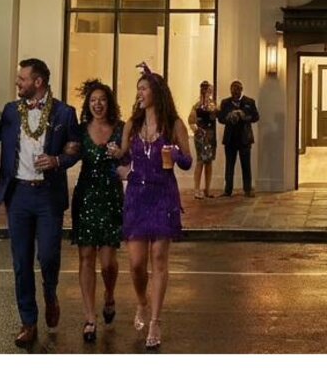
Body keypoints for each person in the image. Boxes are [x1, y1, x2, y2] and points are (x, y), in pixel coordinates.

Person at [0, 57, 82, 347]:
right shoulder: (10, 111)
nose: (18, 83)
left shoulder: (64, 113)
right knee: (21, 261)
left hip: (47, 195)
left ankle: (50, 292)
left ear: (38, 82)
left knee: (49, 256)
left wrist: (57, 160)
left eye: (23, 79)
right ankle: (28, 321)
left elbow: (76, 148)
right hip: (17, 195)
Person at [117, 63, 193, 352]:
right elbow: (122, 160)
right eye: (138, 89)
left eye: (144, 88)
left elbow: (187, 162)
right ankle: (141, 302)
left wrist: (174, 153)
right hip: (137, 196)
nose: (139, 93)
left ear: (156, 92)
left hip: (163, 195)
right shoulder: (132, 125)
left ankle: (155, 321)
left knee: (159, 258)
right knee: (137, 263)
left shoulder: (174, 125)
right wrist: (120, 165)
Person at [70, 80, 126, 344]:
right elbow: (68, 153)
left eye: (102, 99)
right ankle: (90, 317)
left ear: (109, 102)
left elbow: (131, 158)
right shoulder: (80, 130)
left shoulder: (121, 129)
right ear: (88, 104)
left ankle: (110, 295)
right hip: (87, 195)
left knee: (107, 262)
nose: (98, 104)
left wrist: (120, 155)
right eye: (93, 100)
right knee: (85, 257)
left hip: (111, 196)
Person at [217, 80, 259, 197]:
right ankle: (228, 190)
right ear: (230, 90)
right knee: (229, 165)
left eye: (238, 89)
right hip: (230, 139)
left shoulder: (249, 102)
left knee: (246, 165)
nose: (235, 91)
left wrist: (244, 116)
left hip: (244, 138)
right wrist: (228, 117)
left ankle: (248, 189)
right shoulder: (225, 103)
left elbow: (256, 117)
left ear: (241, 90)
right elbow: (220, 118)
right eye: (233, 89)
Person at [189, 81, 218, 200]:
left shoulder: (213, 105)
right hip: (201, 136)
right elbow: (191, 121)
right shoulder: (197, 106)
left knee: (209, 161)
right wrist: (197, 130)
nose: (209, 92)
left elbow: (216, 116)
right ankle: (196, 189)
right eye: (208, 90)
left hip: (211, 136)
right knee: (200, 161)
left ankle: (207, 189)